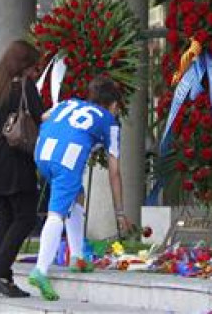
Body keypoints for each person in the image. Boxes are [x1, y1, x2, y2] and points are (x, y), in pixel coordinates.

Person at [27, 75, 133, 301]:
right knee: (57, 213)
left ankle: (77, 257)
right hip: (67, 159)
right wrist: (120, 212)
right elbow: (114, 172)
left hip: (42, 152)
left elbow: (44, 115)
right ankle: (40, 269)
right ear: (113, 105)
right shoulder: (109, 122)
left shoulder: (69, 102)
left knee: (77, 196)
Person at [0, 40, 45, 298]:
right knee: (25, 217)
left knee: (4, 219)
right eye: (35, 67)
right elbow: (40, 118)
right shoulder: (24, 88)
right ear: (25, 66)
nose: (36, 73)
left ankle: (3, 277)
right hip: (15, 161)